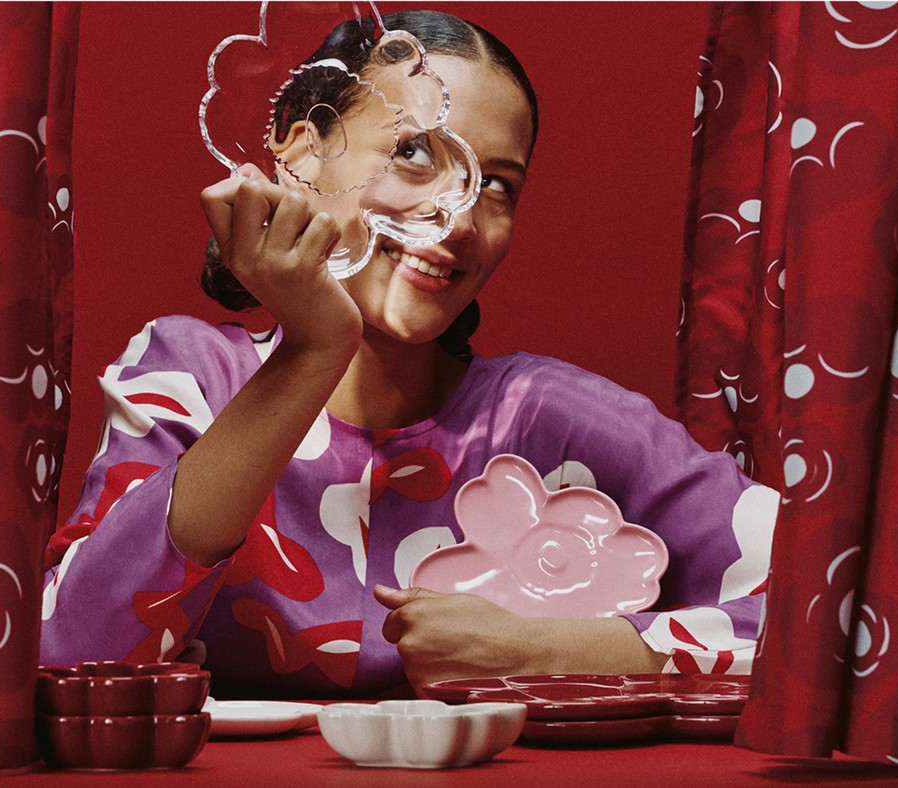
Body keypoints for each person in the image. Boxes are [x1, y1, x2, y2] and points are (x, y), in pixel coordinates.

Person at [39, 10, 777, 698]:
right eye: (415, 152)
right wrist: (314, 351)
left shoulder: (550, 419)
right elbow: (75, 656)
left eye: (495, 185)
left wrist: (552, 650)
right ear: (303, 151)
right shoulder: (188, 378)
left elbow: (821, 613)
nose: (454, 218)